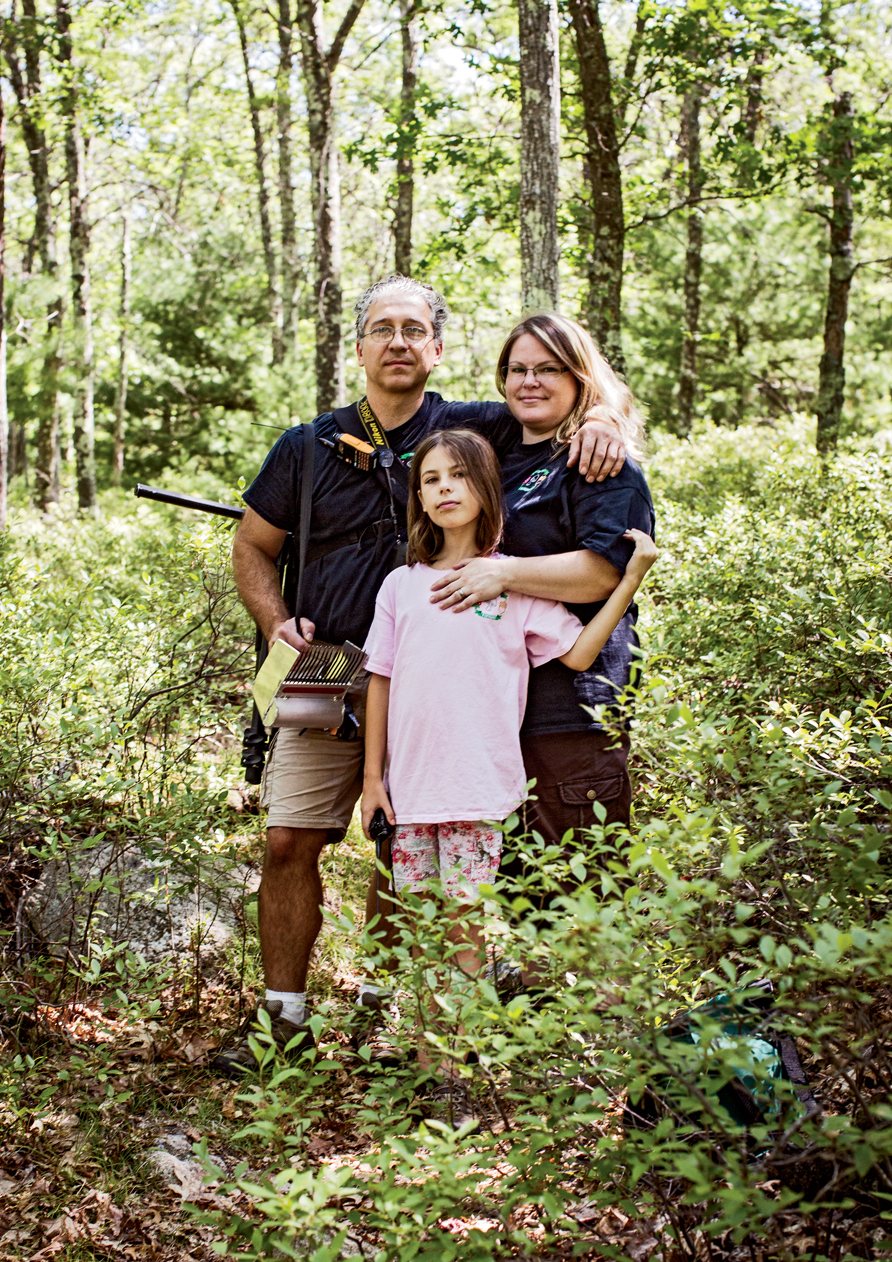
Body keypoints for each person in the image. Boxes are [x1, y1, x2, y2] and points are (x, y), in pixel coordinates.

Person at [215, 278, 628, 1076]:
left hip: (426, 687)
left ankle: (382, 1013)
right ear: (360, 348)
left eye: (415, 330)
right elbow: (251, 545)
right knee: (287, 839)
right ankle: (282, 1020)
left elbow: (557, 405)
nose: (398, 342)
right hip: (324, 668)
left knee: (400, 845)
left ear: (437, 350)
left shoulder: (475, 429)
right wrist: (273, 623)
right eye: (382, 329)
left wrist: (606, 419)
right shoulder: (303, 446)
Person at [359, 428, 656, 1108]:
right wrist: (374, 779)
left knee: (463, 924)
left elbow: (579, 653)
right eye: (430, 479)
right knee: (425, 925)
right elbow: (379, 679)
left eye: (457, 477)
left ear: (486, 491)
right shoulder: (402, 586)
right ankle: (429, 1060)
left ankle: (457, 1075)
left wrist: (630, 578)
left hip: (477, 789)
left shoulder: (510, 586)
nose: (442, 489)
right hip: (410, 793)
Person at [423, 314, 655, 963]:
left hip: (574, 710)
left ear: (579, 377)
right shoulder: (498, 439)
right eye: (518, 369)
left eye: (547, 369)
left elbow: (601, 572)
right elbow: (419, 408)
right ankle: (540, 1053)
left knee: (583, 906)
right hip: (503, 720)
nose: (529, 381)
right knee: (526, 899)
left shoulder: (599, 462)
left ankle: (594, 1053)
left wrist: (503, 573)